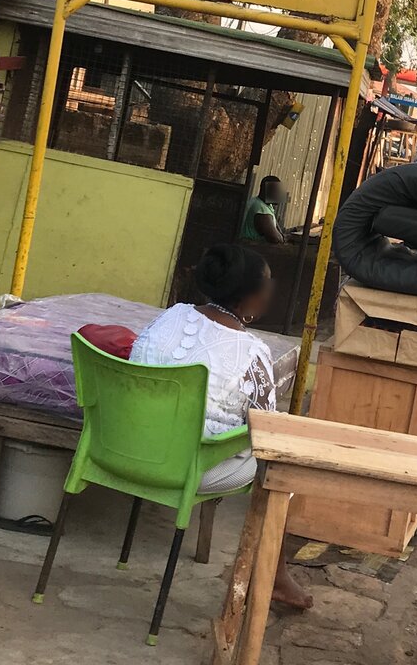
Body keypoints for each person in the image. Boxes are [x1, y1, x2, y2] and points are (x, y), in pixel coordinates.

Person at [130, 243, 312, 609]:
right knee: (280, 465)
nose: (270, 292)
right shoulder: (251, 353)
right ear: (253, 295)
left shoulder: (169, 317)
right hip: (187, 469)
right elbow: (266, 431)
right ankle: (274, 575)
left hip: (125, 448)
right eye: (268, 284)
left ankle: (275, 576)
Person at [241, 176, 286, 244]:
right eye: (276, 191)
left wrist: (281, 235)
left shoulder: (258, 201)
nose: (279, 195)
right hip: (250, 248)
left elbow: (276, 226)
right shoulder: (260, 209)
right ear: (266, 190)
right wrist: (282, 238)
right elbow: (275, 238)